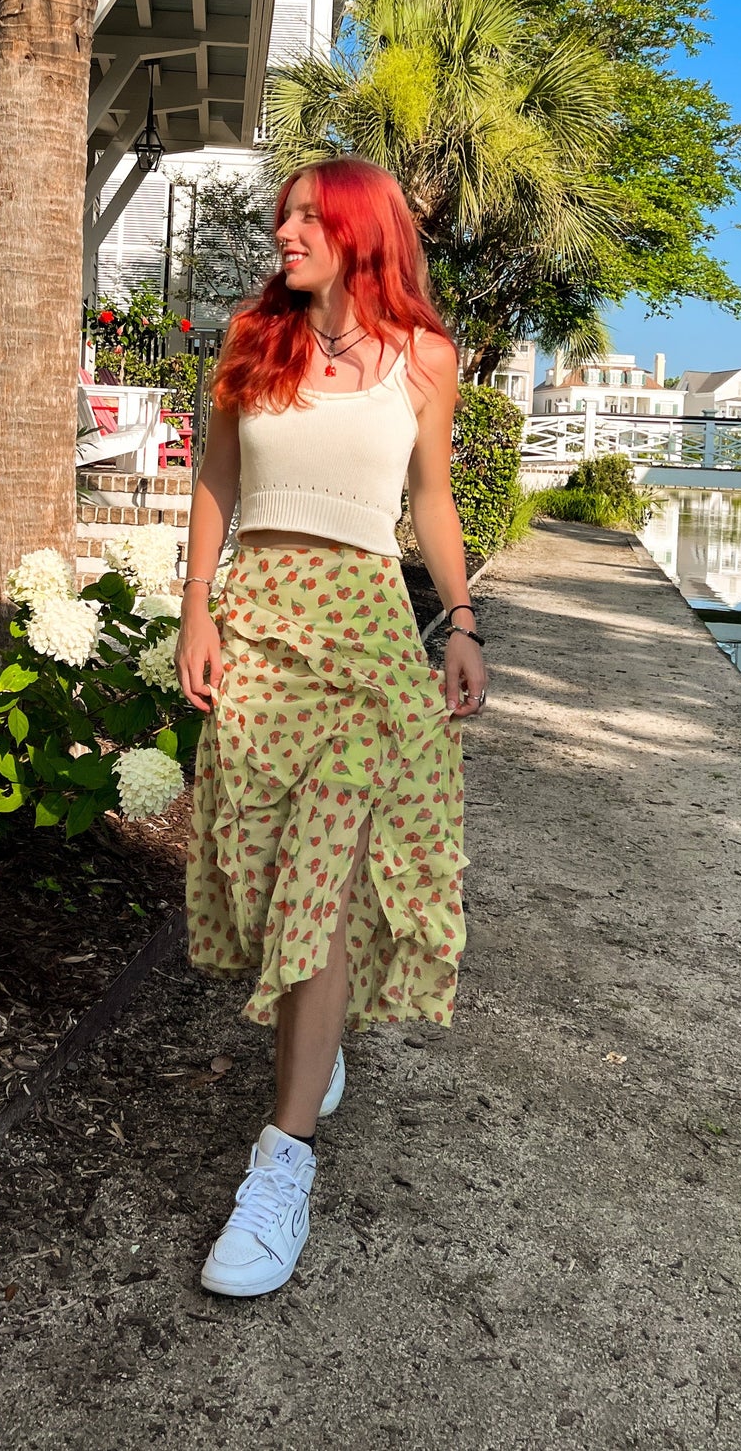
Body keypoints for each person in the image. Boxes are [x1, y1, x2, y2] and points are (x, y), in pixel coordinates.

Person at [174, 155, 488, 1298]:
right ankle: (325, 1026)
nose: (283, 231)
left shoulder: (423, 360)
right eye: (282, 215)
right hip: (256, 628)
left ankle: (281, 1160)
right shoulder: (253, 346)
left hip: (362, 640)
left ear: (361, 231)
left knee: (328, 878)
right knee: (259, 882)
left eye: (307, 216)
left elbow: (429, 497)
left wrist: (459, 621)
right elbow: (215, 478)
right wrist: (195, 608)